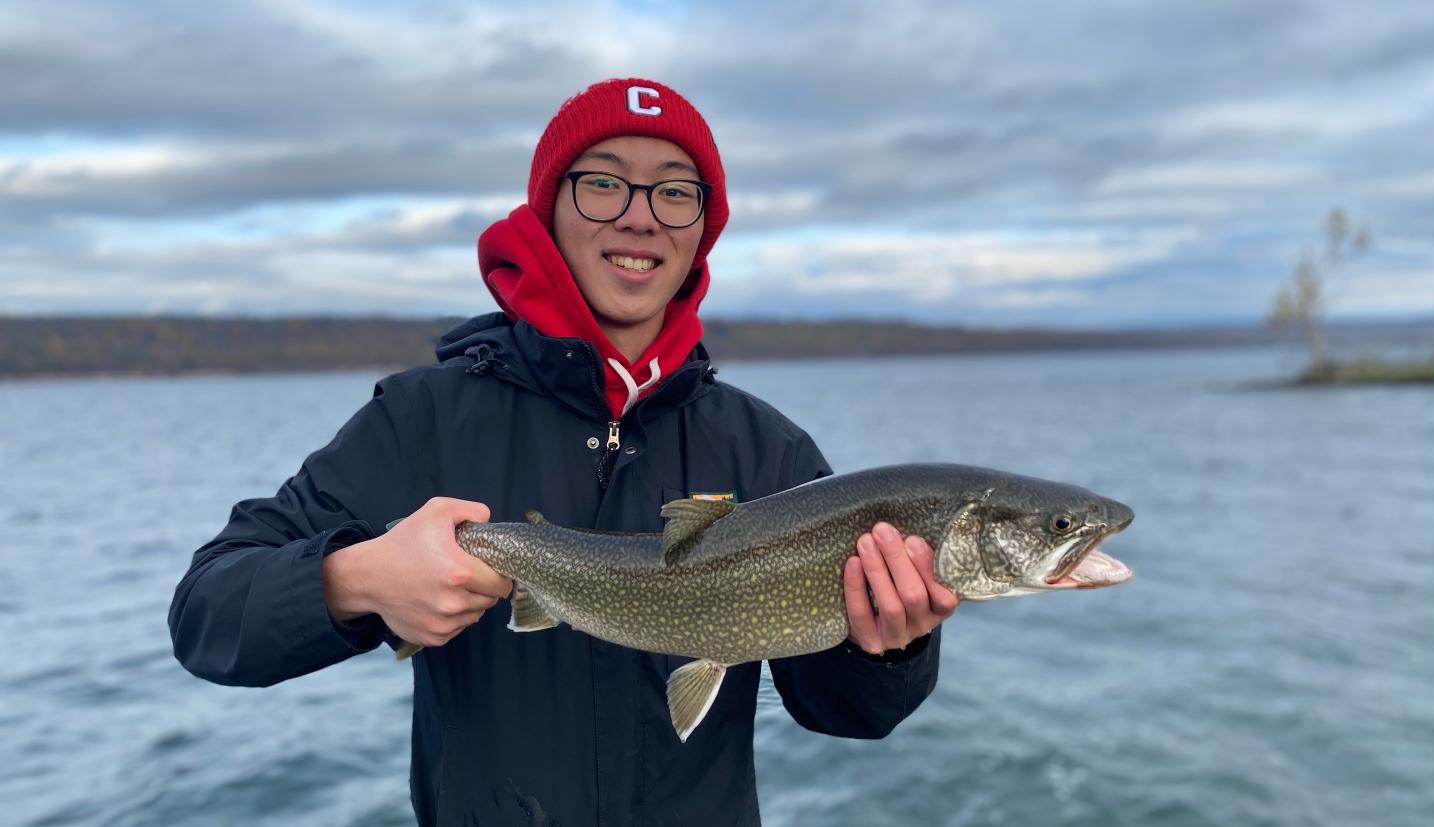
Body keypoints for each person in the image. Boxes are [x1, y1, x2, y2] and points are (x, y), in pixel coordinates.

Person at [169, 78, 958, 826]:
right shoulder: (423, 419)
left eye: (674, 192)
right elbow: (207, 611)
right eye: (604, 183)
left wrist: (893, 648)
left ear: (701, 229)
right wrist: (355, 579)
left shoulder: (767, 450)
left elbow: (846, 710)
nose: (641, 218)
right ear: (549, 209)